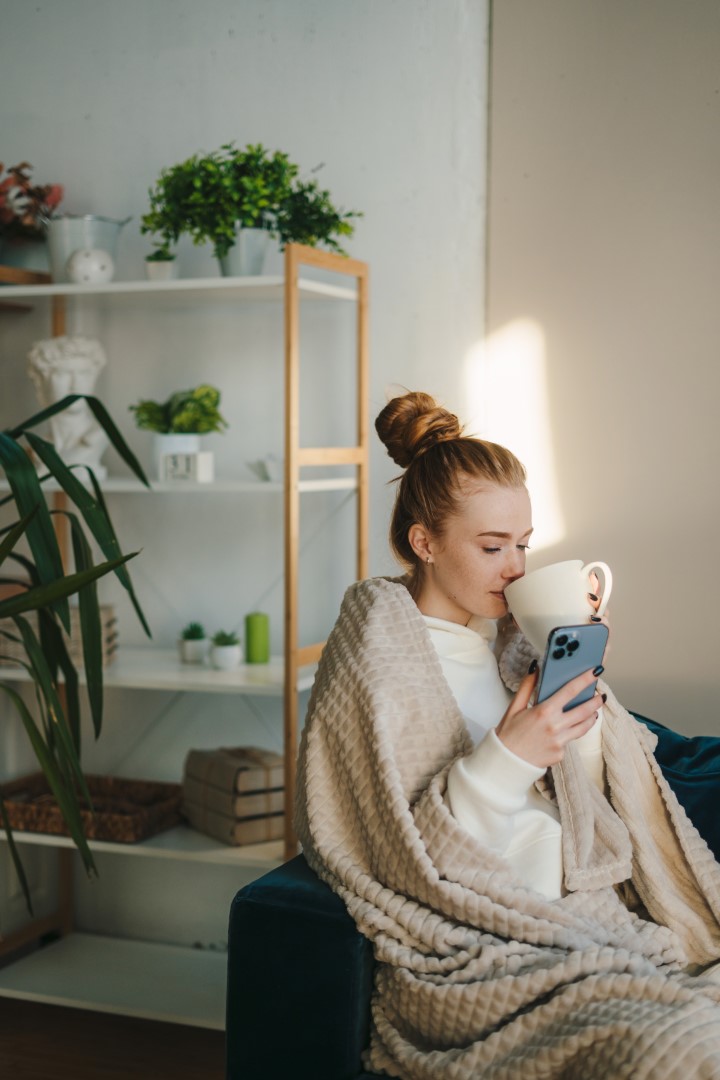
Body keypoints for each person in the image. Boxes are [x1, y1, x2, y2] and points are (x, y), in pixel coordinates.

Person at [296, 390, 720, 1080]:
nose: (516, 568)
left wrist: (579, 694)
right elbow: (399, 855)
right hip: (483, 946)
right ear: (423, 542)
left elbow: (585, 797)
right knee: (687, 1049)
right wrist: (505, 757)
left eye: (523, 544)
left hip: (582, 917)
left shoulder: (511, 648)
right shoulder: (379, 651)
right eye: (493, 547)